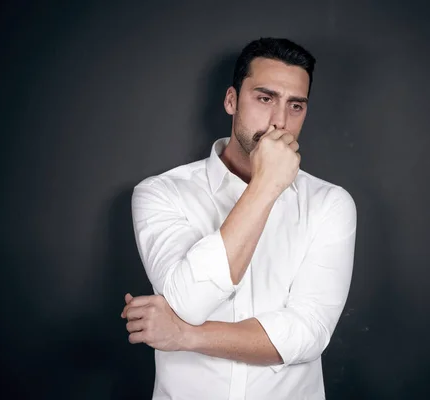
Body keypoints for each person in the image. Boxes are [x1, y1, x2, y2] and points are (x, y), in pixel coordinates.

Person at [121, 37, 358, 400]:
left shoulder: (329, 204)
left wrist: (185, 335)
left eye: (295, 106)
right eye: (265, 98)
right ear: (232, 100)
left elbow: (307, 333)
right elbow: (189, 302)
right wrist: (265, 185)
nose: (280, 121)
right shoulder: (161, 194)